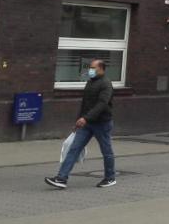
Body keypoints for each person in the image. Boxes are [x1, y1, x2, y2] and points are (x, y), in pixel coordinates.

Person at [45, 59, 116, 189]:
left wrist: (86, 118)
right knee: (74, 148)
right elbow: (85, 104)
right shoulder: (90, 83)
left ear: (101, 69)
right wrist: (79, 120)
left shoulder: (106, 84)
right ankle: (61, 178)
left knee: (107, 151)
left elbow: (102, 104)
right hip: (87, 123)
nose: (90, 70)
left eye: (93, 68)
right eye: (90, 67)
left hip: (101, 123)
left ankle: (110, 178)